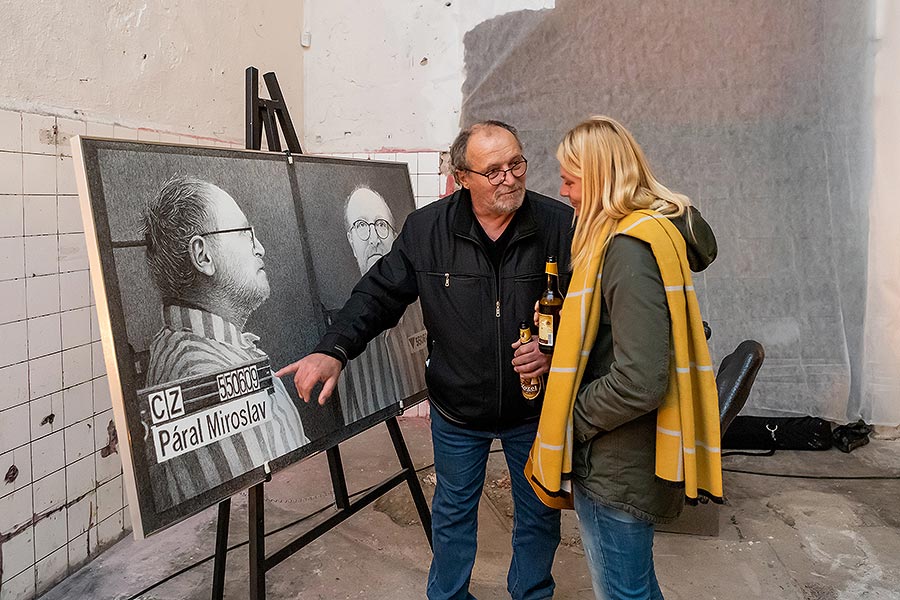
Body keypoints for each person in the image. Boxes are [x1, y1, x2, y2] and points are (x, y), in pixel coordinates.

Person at [278, 121, 572, 600]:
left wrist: (553, 352)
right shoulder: (428, 229)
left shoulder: (558, 225)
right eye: (493, 170)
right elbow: (379, 294)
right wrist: (334, 349)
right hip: (457, 407)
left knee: (540, 512)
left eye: (515, 164)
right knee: (454, 512)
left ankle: (532, 593)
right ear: (461, 177)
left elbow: (589, 310)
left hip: (533, 409)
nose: (510, 178)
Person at [526, 116, 723, 600]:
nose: (564, 191)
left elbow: (640, 379)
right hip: (626, 454)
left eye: (570, 180)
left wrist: (573, 417)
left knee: (622, 592)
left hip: (616, 462)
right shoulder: (647, 232)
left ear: (597, 181)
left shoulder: (627, 250)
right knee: (634, 588)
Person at [141, 175, 309, 510]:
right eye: (246, 234)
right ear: (203, 256)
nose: (260, 247)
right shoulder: (198, 371)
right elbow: (272, 507)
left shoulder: (225, 347)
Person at [336, 186, 428, 424]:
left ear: (396, 235)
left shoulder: (425, 308)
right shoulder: (337, 329)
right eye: (361, 226)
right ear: (350, 240)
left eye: (381, 225)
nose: (375, 239)